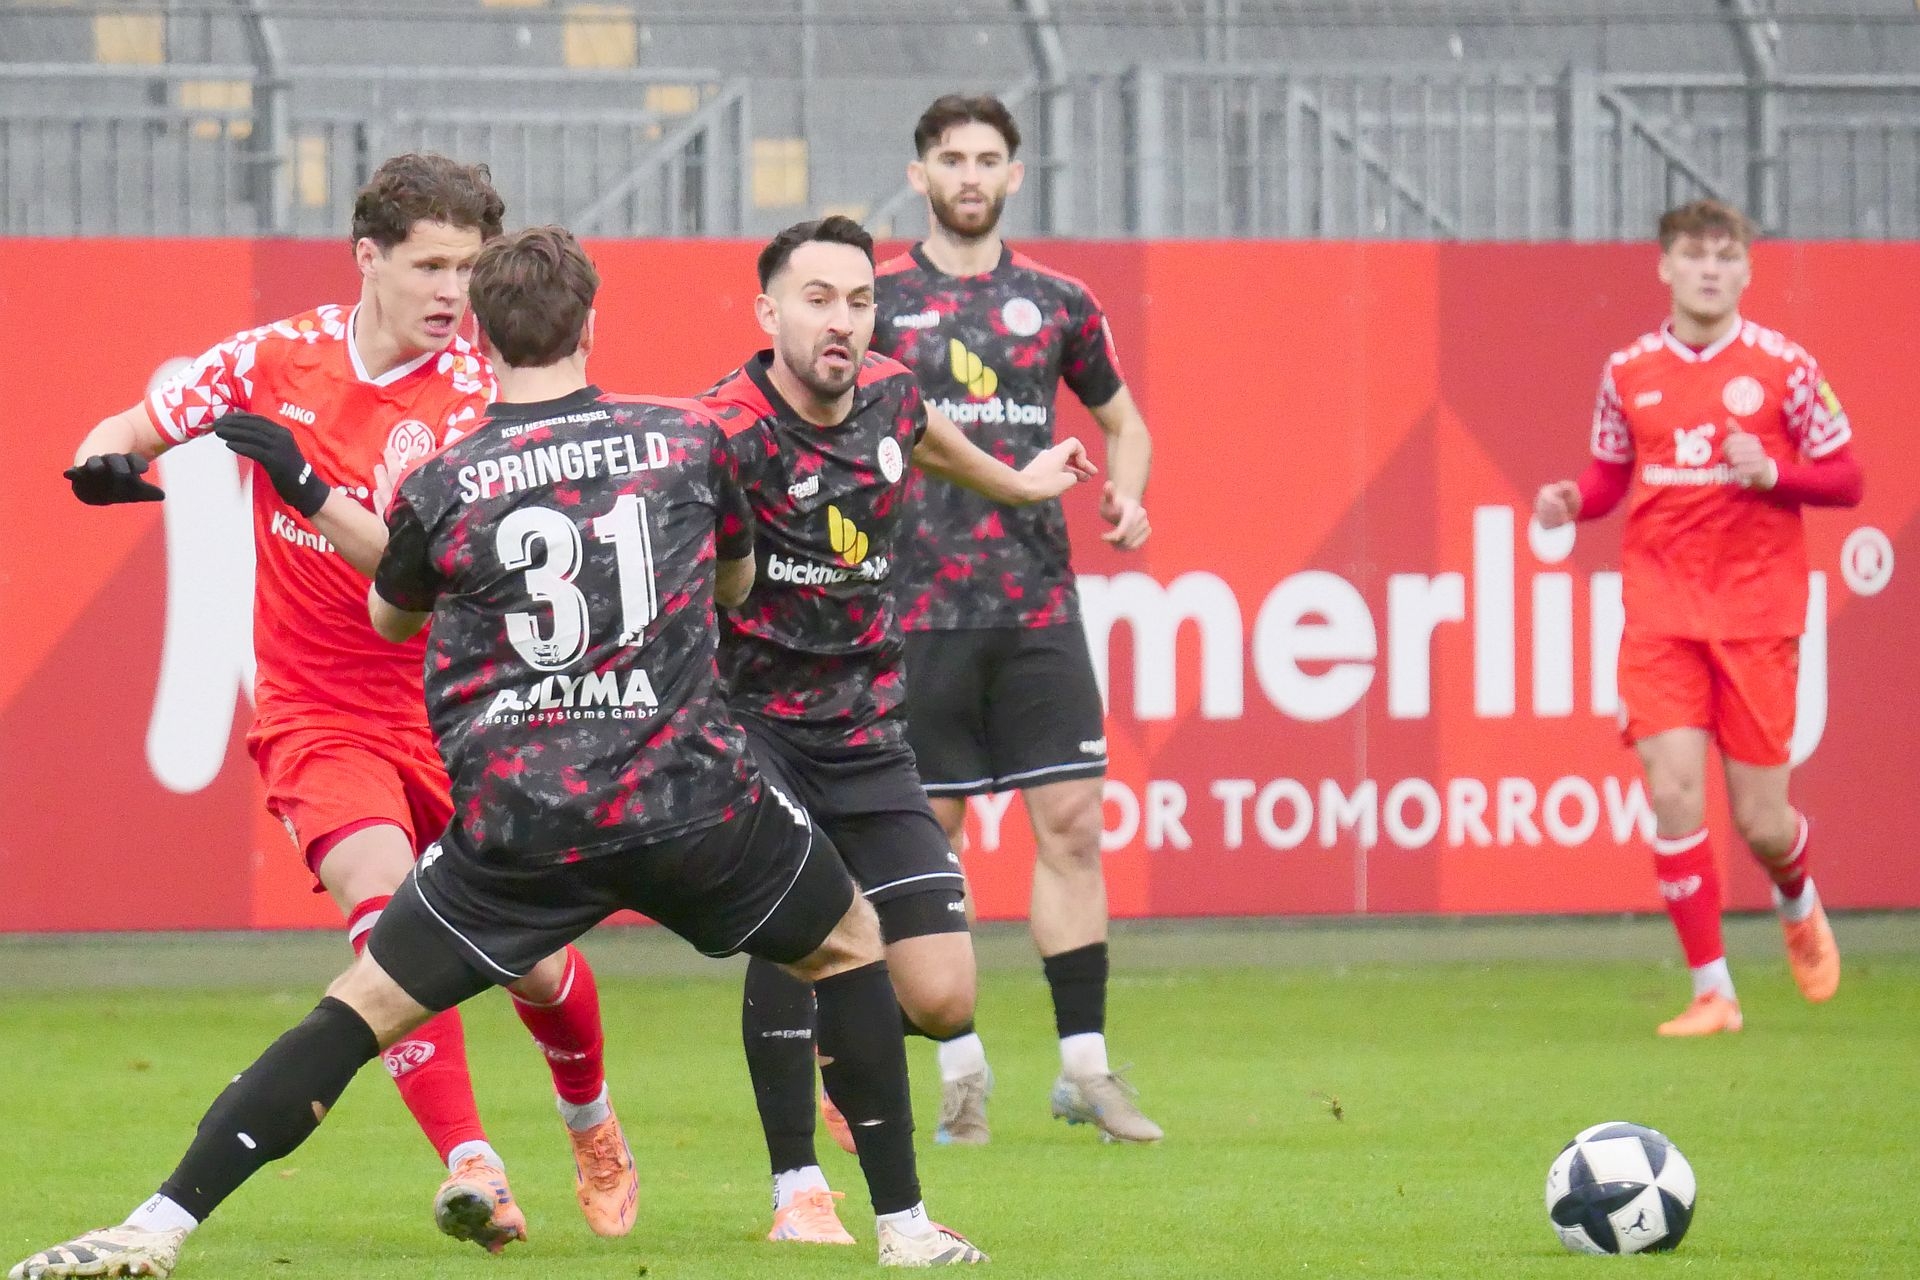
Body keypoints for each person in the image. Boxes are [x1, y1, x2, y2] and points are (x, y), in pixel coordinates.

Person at [10, 226, 986, 1280]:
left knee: (359, 1010)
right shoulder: (687, 439)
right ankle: (906, 1228)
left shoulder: (446, 479)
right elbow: (736, 586)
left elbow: (392, 617)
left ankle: (156, 1222)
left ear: (482, 333)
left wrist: (313, 491)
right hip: (686, 798)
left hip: (525, 821)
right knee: (848, 943)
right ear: (591, 323)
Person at [58, 153, 624, 1247]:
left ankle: (589, 1114)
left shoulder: (486, 393)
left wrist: (307, 486)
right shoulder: (274, 359)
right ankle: (471, 1163)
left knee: (537, 961)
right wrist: (101, 463)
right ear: (368, 256)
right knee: (387, 909)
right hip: (321, 711)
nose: (453, 292)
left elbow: (423, 587)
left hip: (465, 709)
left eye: (467, 268)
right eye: (430, 266)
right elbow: (128, 425)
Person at [708, 216, 1096, 1243]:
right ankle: (807, 1189)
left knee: (941, 996)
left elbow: (929, 436)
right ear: (769, 311)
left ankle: (851, 1060)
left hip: (870, 733)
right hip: (757, 729)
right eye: (818, 300)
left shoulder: (891, 390)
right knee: (807, 929)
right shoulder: (725, 430)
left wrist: (1019, 480)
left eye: (859, 300)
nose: (842, 320)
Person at [870, 93, 1161, 1143]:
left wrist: (1127, 495)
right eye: (951, 158)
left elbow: (1125, 423)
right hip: (914, 611)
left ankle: (1084, 1065)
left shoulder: (1059, 300)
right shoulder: (879, 300)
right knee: (931, 841)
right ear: (920, 175)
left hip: (1036, 603)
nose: (970, 175)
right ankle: (960, 1067)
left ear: (1014, 175)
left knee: (1072, 825)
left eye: (987, 158)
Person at [1534, 198, 1862, 1037]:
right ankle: (1714, 991)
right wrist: (1574, 500)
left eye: (1725, 256)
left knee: (1761, 822)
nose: (1709, 270)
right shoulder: (1627, 370)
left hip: (1757, 612)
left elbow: (1847, 478)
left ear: (1747, 270)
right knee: (1673, 791)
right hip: (1660, 611)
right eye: (1693, 255)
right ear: (1665, 267)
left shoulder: (1787, 369)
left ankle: (1796, 894)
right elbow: (1609, 477)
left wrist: (1775, 474)